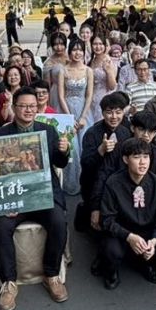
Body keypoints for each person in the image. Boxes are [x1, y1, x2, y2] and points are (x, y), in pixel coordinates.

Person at [0, 87, 70, 310]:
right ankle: (8, 283)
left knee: (58, 221)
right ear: (14, 108)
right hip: (14, 197)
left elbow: (60, 164)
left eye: (32, 106)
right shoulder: (0, 135)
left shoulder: (48, 131)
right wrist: (7, 201)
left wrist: (63, 152)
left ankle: (52, 274)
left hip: (43, 194)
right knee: (1, 227)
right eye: (23, 106)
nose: (28, 110)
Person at [98, 138, 156, 289]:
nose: (142, 162)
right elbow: (107, 220)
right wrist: (129, 237)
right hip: (123, 232)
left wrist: (154, 241)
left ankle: (148, 264)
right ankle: (111, 270)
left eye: (146, 157)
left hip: (148, 232)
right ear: (126, 159)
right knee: (111, 251)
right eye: (136, 157)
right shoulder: (113, 182)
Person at [79, 92, 132, 235]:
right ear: (102, 113)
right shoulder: (92, 133)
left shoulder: (126, 133)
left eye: (118, 112)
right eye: (109, 112)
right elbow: (86, 165)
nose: (114, 117)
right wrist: (100, 151)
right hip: (94, 182)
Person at [58, 39, 94, 196]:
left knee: (85, 148)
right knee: (71, 150)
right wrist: (69, 118)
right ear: (69, 51)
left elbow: (89, 95)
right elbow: (60, 95)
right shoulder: (63, 71)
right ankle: (71, 184)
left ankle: (87, 184)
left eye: (80, 50)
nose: (77, 53)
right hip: (66, 110)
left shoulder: (88, 71)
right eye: (74, 49)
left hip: (84, 112)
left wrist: (83, 116)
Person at [88, 35, 117, 124]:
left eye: (100, 44)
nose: (98, 47)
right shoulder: (91, 61)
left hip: (105, 97)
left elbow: (112, 86)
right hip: (91, 99)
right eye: (95, 44)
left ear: (105, 46)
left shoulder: (109, 61)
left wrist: (108, 72)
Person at [43, 32, 69, 111]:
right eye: (55, 44)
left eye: (61, 44)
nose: (59, 47)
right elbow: (47, 84)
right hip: (56, 93)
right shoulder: (49, 62)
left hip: (71, 91)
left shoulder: (71, 57)